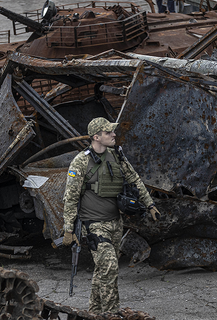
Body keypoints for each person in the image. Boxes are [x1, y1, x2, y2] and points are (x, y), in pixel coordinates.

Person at [62, 117, 160, 314]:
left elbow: (134, 179)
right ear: (96, 137)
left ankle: (95, 312)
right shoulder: (81, 162)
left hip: (116, 223)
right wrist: (68, 229)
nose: (114, 135)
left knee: (103, 272)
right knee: (109, 267)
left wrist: (149, 204)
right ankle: (111, 314)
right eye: (108, 133)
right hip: (94, 225)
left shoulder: (117, 156)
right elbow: (70, 198)